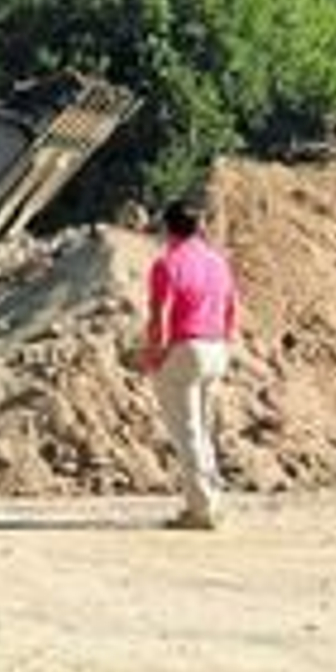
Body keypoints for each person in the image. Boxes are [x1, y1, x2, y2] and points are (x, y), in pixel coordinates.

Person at [142, 197, 240, 530]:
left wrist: (154, 352)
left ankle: (201, 509)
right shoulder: (218, 262)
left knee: (187, 432)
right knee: (203, 428)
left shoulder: (167, 264)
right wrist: (225, 339)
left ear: (167, 228)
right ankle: (212, 499)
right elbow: (231, 306)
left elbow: (159, 315)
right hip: (216, 346)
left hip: (185, 347)